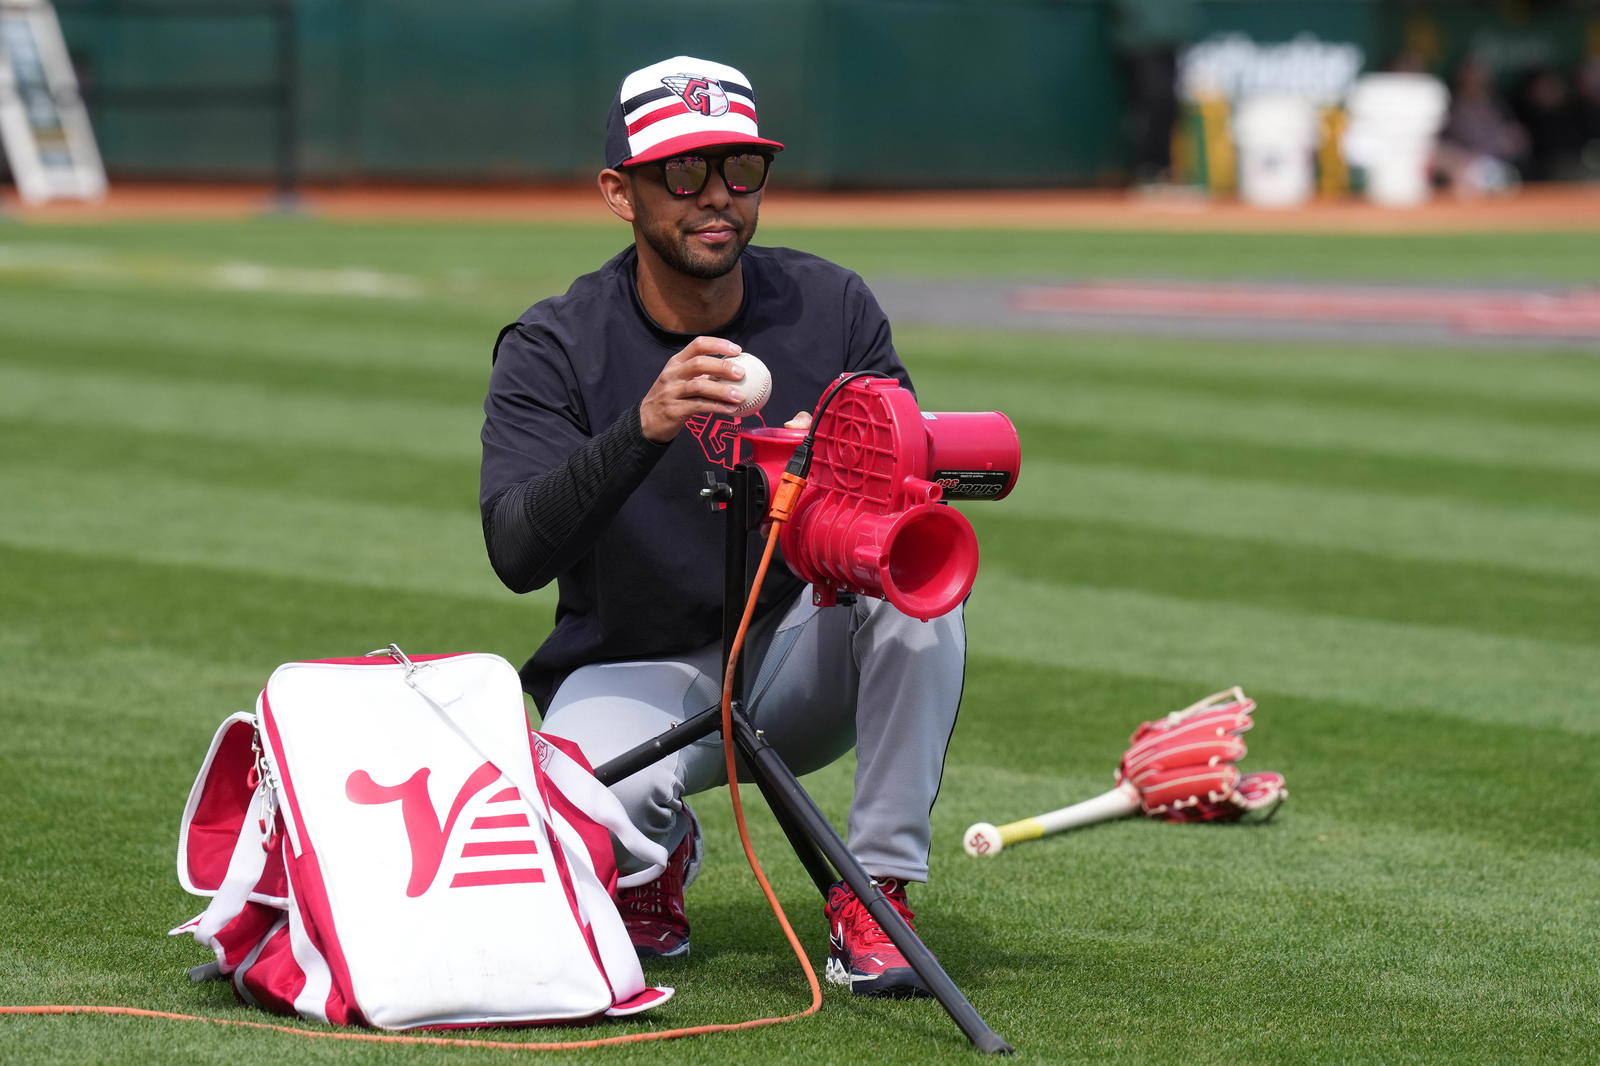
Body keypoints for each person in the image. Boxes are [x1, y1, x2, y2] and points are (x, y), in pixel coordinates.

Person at [478, 56, 964, 998]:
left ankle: (879, 891)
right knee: (585, 814)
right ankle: (654, 849)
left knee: (919, 599)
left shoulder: (833, 308)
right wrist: (643, 427)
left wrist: (836, 473)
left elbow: (907, 493)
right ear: (621, 192)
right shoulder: (554, 345)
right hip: (635, 668)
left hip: (797, 654)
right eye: (685, 173)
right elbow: (516, 552)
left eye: (741, 170)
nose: (718, 199)